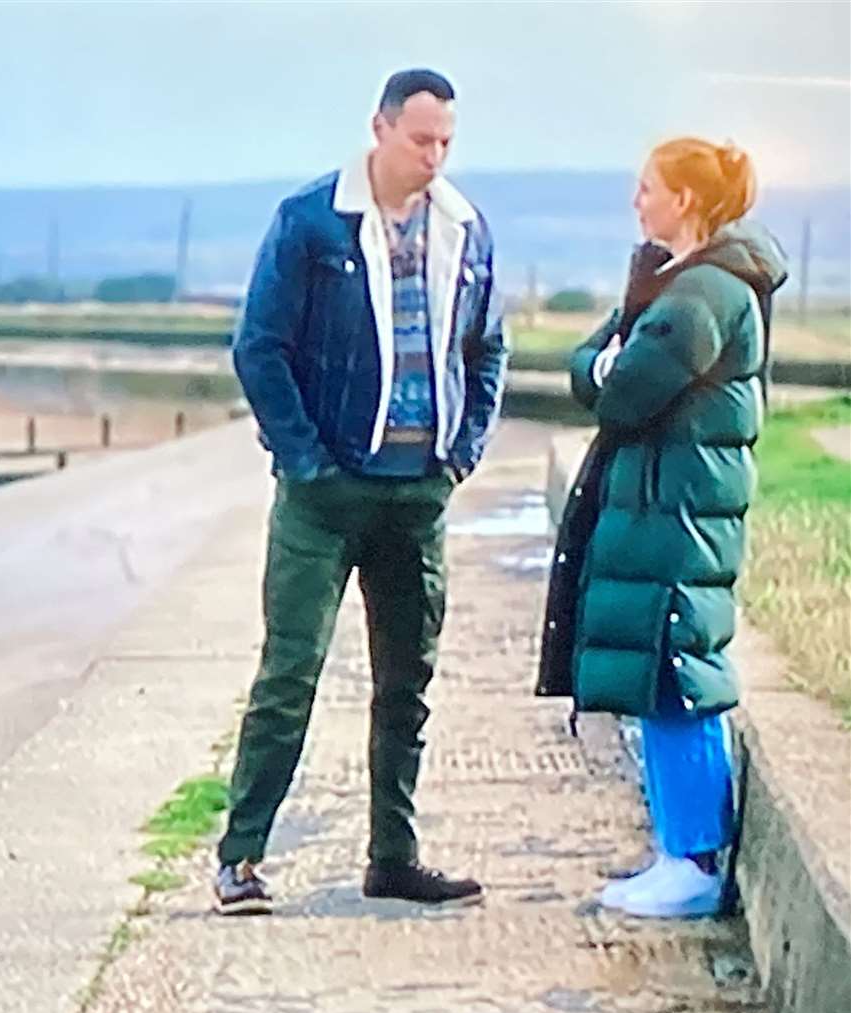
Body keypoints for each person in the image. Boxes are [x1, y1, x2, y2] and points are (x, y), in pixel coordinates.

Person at [215, 69, 508, 916]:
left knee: (405, 682)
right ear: (378, 129)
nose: (434, 156)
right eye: (420, 139)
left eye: (446, 141)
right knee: (290, 674)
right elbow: (258, 348)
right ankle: (240, 857)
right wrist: (304, 459)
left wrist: (462, 451)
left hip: (417, 492)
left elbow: (487, 348)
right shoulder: (311, 222)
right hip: (324, 493)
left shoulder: (464, 227)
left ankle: (394, 855)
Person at [537, 137, 787, 919]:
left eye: (646, 188)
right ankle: (681, 854)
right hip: (667, 510)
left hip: (675, 516)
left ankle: (692, 863)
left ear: (682, 200)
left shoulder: (699, 296)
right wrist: (606, 357)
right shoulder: (677, 285)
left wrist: (609, 361)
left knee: (676, 683)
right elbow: (589, 360)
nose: (635, 201)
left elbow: (617, 392)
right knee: (667, 679)